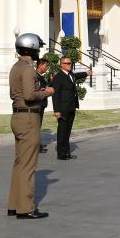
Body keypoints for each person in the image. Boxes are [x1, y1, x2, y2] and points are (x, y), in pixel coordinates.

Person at [7, 33, 54, 220]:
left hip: (17, 116)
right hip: (28, 118)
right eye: (37, 48)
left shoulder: (15, 67)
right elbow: (29, 95)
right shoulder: (28, 69)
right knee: (28, 165)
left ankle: (14, 204)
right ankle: (25, 207)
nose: (38, 51)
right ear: (32, 48)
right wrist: (46, 92)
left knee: (19, 164)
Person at [50, 56, 91, 160]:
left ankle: (67, 152)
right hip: (62, 109)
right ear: (61, 65)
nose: (70, 65)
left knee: (68, 131)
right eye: (67, 63)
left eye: (70, 63)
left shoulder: (70, 75)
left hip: (71, 107)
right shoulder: (58, 77)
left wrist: (86, 73)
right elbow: (55, 95)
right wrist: (57, 110)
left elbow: (77, 75)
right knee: (62, 131)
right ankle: (61, 154)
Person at [35, 59, 51, 154]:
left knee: (38, 125)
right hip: (38, 104)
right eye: (46, 66)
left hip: (42, 104)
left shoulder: (41, 76)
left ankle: (38, 144)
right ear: (40, 65)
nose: (47, 68)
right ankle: (36, 146)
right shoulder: (35, 76)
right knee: (36, 126)